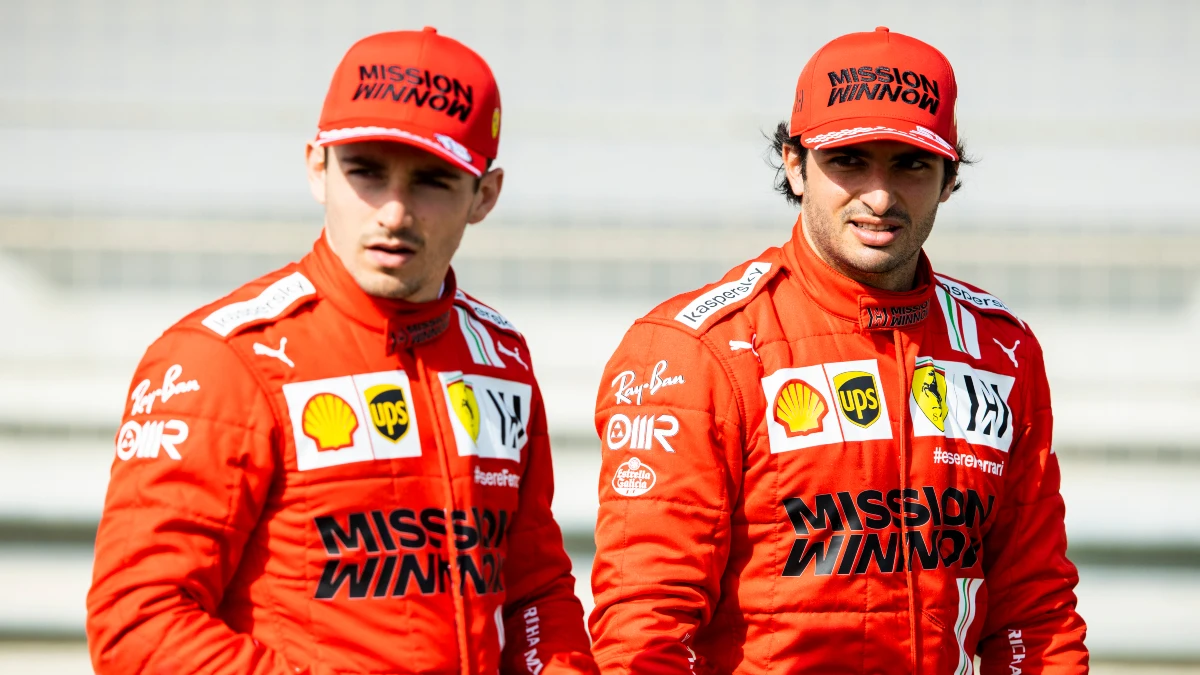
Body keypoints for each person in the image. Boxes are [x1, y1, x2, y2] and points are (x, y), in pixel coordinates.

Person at [87, 28, 597, 675]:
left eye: (432, 180)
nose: (393, 211)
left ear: (485, 195)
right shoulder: (221, 360)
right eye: (366, 172)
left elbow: (533, 589)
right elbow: (139, 618)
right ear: (316, 167)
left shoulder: (500, 357)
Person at [590, 27, 1087, 673]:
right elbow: (644, 629)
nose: (880, 196)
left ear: (948, 178)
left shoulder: (1001, 349)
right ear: (795, 166)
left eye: (910, 163)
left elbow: (1035, 610)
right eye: (850, 160)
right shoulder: (701, 349)